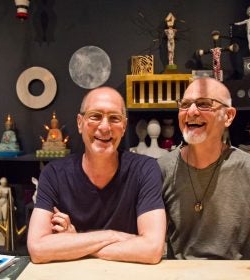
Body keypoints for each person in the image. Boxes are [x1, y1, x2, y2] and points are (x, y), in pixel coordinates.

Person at [157, 77, 250, 260]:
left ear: (228, 116)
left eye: (204, 104)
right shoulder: (161, 169)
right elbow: (148, 242)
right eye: (185, 104)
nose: (191, 111)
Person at [27, 86, 166, 264]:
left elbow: (152, 250)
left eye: (114, 118)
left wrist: (74, 242)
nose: (105, 127)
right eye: (95, 116)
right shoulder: (54, 174)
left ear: (124, 126)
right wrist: (112, 235)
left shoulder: (145, 170)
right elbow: (38, 249)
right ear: (80, 123)